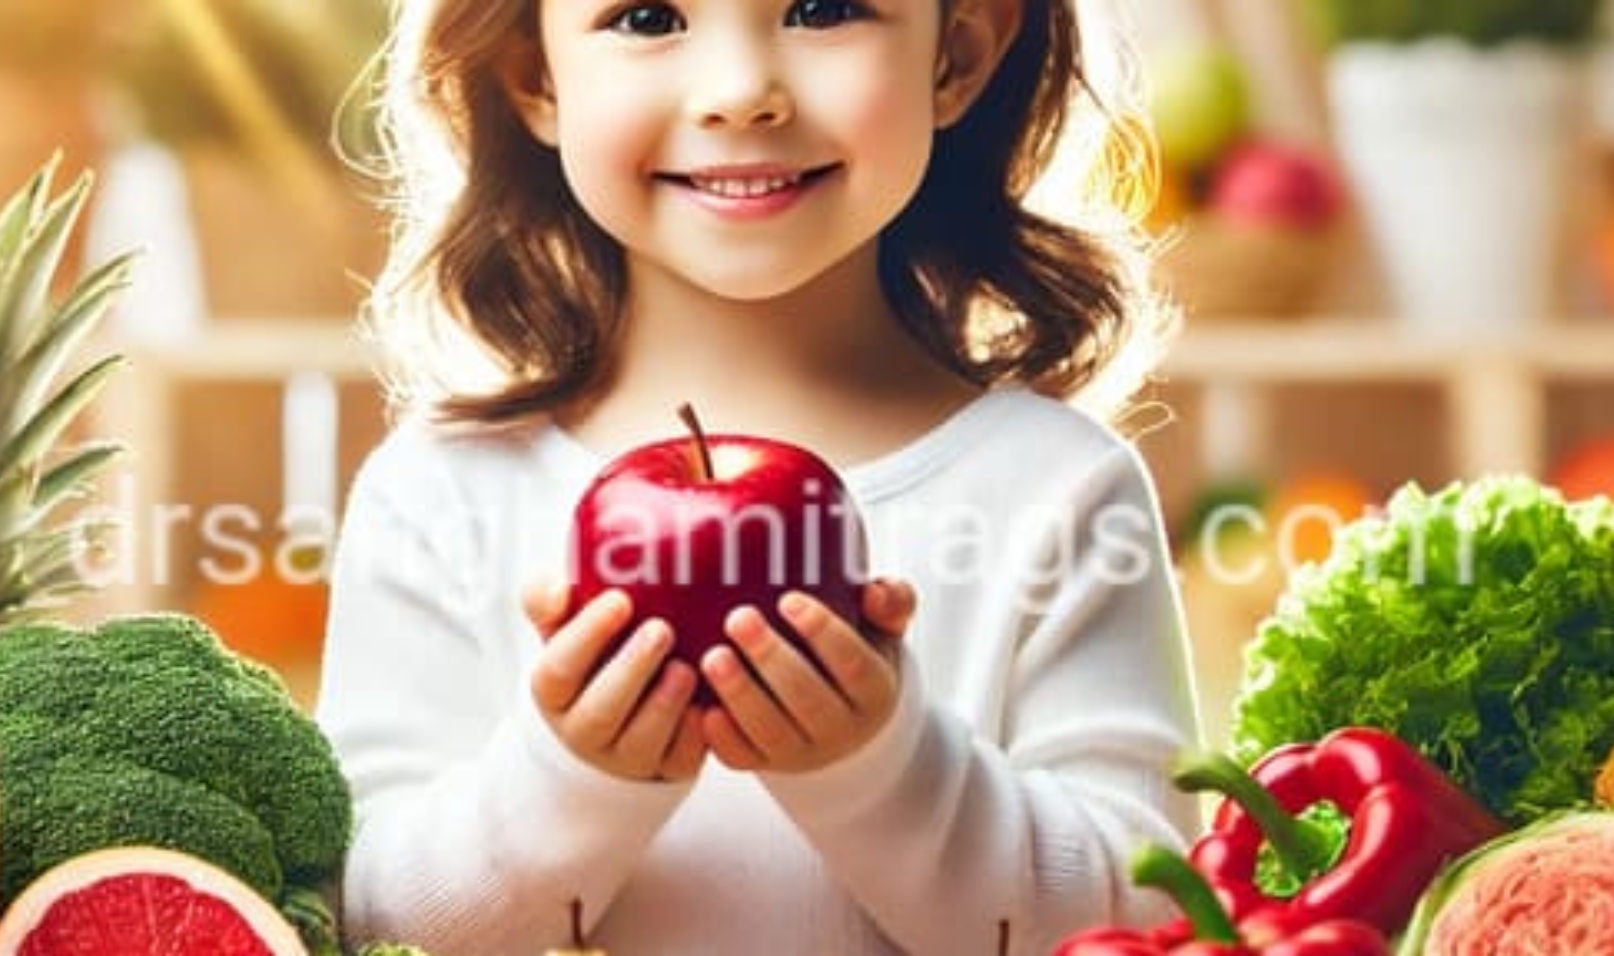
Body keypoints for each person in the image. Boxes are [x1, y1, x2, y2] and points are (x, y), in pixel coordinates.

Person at [315, 0, 1202, 950]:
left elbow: (1144, 914)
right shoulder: (438, 496)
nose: (742, 92)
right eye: (647, 16)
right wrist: (563, 778)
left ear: (958, 53)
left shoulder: (1062, 492)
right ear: (535, 77)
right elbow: (364, 918)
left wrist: (884, 768)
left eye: (825, 9)